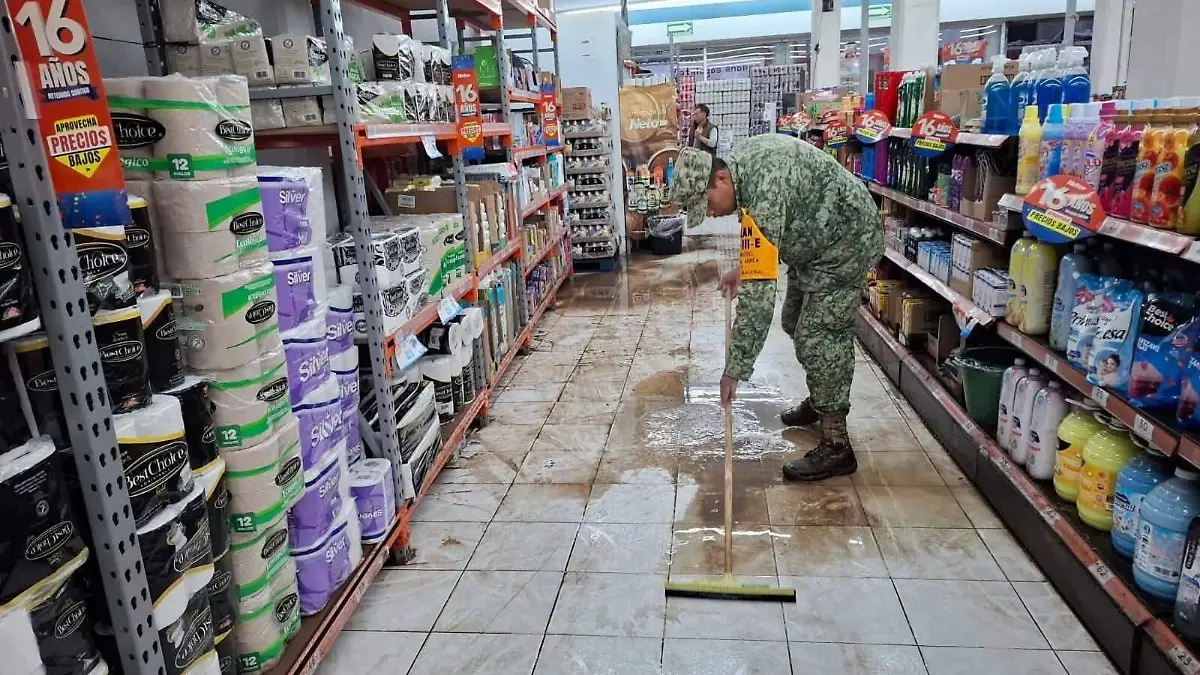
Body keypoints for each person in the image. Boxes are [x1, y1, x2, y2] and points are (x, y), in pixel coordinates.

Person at [669, 135, 883, 482]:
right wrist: (744, 269)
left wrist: (734, 369)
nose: (711, 213)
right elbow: (766, 245)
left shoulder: (762, 190)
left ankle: (836, 444)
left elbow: (759, 298)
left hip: (846, 242)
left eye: (707, 203)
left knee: (819, 336)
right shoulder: (741, 172)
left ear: (720, 178)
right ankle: (822, 397)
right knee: (794, 319)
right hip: (815, 241)